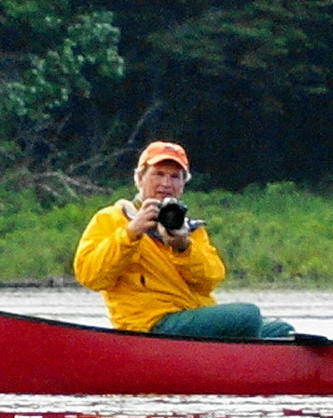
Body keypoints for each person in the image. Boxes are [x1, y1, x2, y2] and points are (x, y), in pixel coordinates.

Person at [73, 142, 298, 340]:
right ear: (140, 178)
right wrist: (131, 233)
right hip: (150, 324)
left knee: (281, 329)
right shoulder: (112, 218)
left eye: (174, 176)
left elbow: (211, 279)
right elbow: (90, 276)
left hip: (189, 316)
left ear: (183, 184)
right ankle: (242, 367)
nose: (166, 182)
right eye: (158, 173)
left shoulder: (186, 226)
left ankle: (251, 367)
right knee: (248, 315)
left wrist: (183, 247)